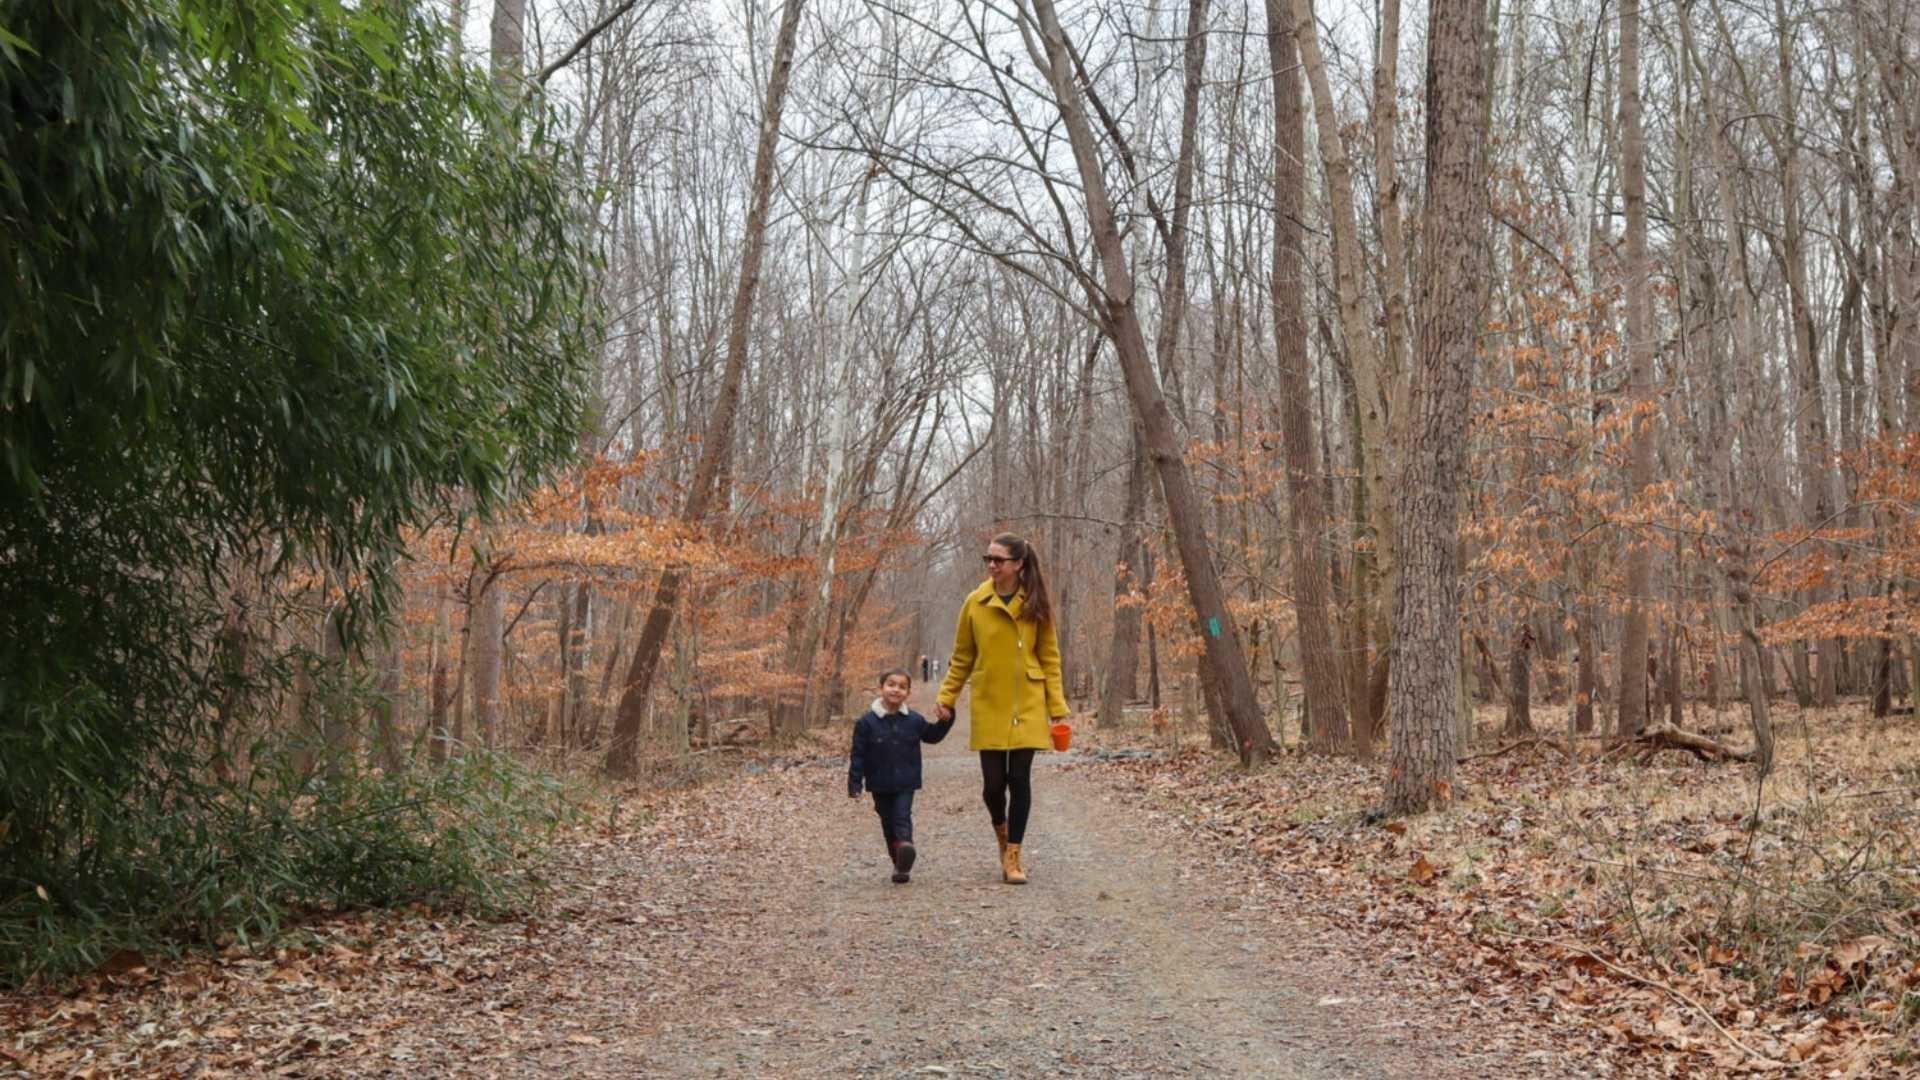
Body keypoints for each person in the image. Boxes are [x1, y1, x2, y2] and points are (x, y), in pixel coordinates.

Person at [935, 533, 1068, 885]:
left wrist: (1057, 707)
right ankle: (1001, 832)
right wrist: (947, 696)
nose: (992, 565)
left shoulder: (1036, 603)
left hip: (1028, 700)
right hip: (990, 701)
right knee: (993, 786)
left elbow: (1050, 658)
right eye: (988, 559)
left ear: (1018, 564)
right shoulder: (975, 603)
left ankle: (1014, 854)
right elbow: (962, 656)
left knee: (1019, 780)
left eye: (999, 560)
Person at [848, 668, 954, 883]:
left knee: (901, 816)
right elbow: (858, 755)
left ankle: (906, 845)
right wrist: (855, 783)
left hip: (906, 780)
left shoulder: (914, 720)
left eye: (902, 687)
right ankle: (900, 863)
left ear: (908, 693)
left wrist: (946, 720)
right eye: (891, 684)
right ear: (881, 688)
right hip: (878, 783)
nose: (896, 689)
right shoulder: (866, 723)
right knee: (888, 823)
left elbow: (932, 737)